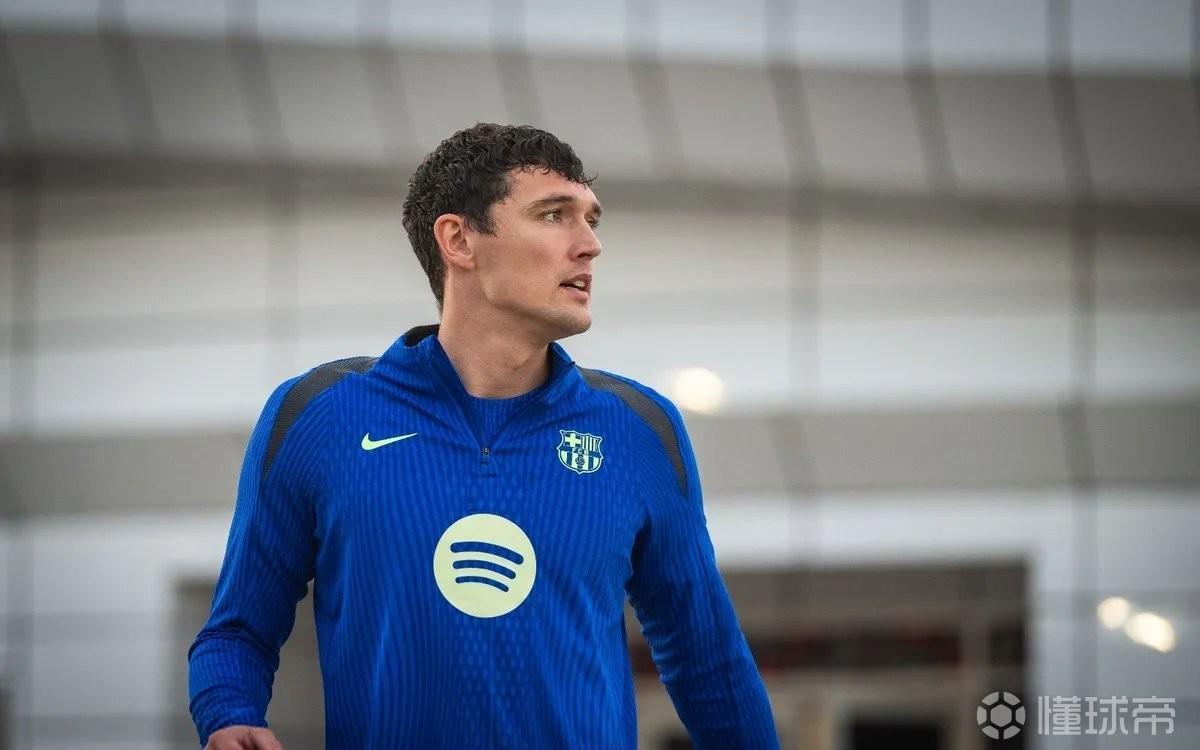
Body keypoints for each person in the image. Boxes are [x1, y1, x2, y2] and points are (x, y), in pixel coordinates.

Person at [188, 123, 779, 749]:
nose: (589, 246)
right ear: (459, 240)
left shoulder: (639, 430)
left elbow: (709, 662)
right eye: (553, 215)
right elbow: (237, 632)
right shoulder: (319, 416)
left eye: (591, 220)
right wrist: (229, 713)